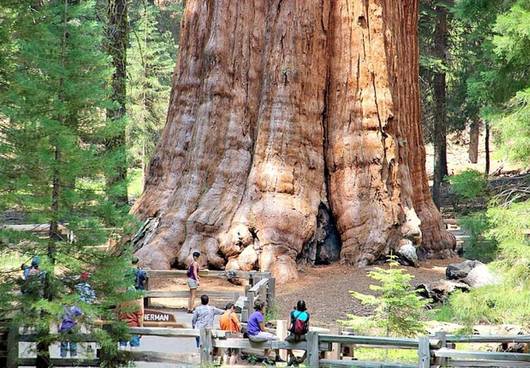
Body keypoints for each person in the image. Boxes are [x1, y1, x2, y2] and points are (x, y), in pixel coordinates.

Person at [285, 300, 310, 366]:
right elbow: (308, 328)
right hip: (303, 337)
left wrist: (292, 329)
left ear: (297, 307)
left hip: (293, 336)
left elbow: (288, 327)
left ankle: (292, 356)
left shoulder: (292, 313)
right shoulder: (307, 315)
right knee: (312, 344)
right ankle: (301, 359)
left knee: (285, 342)